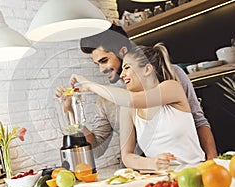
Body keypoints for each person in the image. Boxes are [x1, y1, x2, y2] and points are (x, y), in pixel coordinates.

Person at [56, 24, 217, 160]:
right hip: (144, 175)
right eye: (97, 63)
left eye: (104, 60)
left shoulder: (170, 74)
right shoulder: (105, 99)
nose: (101, 69)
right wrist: (72, 114)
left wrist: (212, 162)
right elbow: (96, 148)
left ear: (122, 51)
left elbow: (199, 120)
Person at [70, 43, 206, 170]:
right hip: (161, 179)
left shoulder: (171, 87)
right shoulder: (127, 110)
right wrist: (152, 163)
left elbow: (133, 100)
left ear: (147, 69)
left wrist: (90, 85)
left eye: (127, 67)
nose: (122, 75)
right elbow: (127, 156)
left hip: (196, 172)